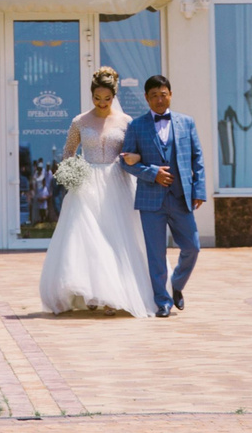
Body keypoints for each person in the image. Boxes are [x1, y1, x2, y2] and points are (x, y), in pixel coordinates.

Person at [38, 66, 154, 315]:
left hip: (117, 182)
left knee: (116, 238)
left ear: (114, 96)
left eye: (107, 99)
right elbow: (68, 152)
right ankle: (90, 290)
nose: (102, 103)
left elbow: (136, 151)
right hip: (86, 185)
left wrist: (133, 158)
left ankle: (114, 296)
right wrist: (72, 170)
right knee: (88, 238)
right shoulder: (79, 121)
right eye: (97, 98)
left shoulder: (126, 122)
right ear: (91, 95)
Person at [117, 72, 205, 317]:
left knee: (193, 247)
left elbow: (197, 158)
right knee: (156, 253)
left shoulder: (187, 123)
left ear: (171, 95)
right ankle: (162, 302)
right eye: (154, 96)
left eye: (163, 95)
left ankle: (176, 286)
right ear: (146, 98)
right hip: (150, 200)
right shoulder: (136, 126)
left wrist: (198, 190)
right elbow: (125, 162)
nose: (159, 99)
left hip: (181, 197)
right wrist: (152, 172)